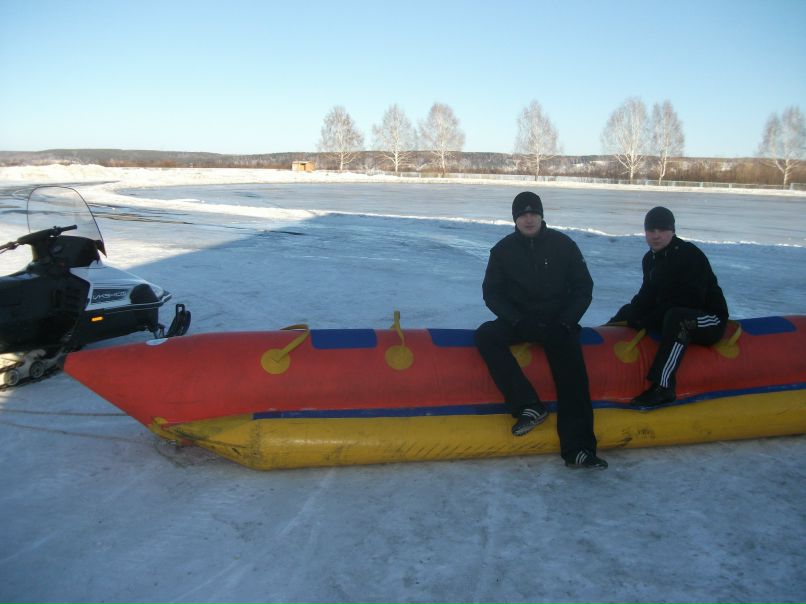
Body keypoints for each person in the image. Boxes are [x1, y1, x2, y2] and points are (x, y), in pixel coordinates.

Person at [474, 191, 607, 470]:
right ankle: (528, 405)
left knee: (573, 378)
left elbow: (583, 289)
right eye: (523, 214)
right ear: (515, 219)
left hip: (558, 324)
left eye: (533, 213)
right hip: (522, 322)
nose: (529, 218)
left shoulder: (564, 245)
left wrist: (566, 322)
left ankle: (579, 450)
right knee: (486, 335)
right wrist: (518, 321)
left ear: (542, 215)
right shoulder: (502, 251)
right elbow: (492, 294)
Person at [609, 206, 729, 406]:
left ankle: (663, 387)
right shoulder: (650, 259)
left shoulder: (689, 255)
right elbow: (647, 294)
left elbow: (691, 300)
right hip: (671, 313)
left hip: (708, 319)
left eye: (662, 230)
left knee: (677, 318)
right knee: (629, 311)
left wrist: (650, 318)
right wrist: (630, 317)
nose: (656, 235)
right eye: (651, 230)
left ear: (672, 231)